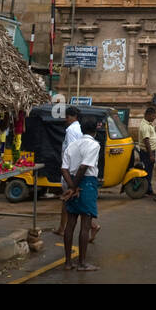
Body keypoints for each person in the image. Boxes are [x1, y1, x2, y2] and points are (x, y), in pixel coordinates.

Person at [62, 116, 101, 272]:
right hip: (87, 183)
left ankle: (67, 262)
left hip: (71, 180)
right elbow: (84, 167)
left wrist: (71, 186)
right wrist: (75, 187)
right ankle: (82, 263)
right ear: (95, 131)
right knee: (85, 225)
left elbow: (64, 168)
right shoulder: (94, 145)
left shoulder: (72, 145)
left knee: (70, 224)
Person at [55, 106, 82, 239]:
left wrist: (68, 171)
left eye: (67, 117)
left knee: (69, 199)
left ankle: (92, 226)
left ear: (73, 117)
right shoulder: (77, 128)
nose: (66, 119)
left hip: (70, 169)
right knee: (70, 200)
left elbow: (71, 150)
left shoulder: (71, 130)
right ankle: (61, 227)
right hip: (73, 169)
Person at [136, 107, 156, 196]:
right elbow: (146, 141)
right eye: (154, 116)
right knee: (147, 172)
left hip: (149, 152)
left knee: (149, 171)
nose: (154, 118)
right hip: (147, 153)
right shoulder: (145, 126)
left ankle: (147, 189)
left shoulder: (148, 124)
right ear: (148, 115)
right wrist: (151, 155)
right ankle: (146, 190)